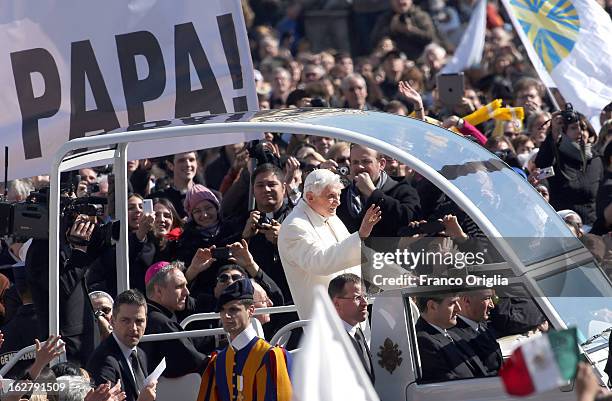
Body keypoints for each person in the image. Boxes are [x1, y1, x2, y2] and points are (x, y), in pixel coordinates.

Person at [278, 168, 381, 319]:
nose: (338, 202)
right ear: (310, 197)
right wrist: (361, 234)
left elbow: (358, 253)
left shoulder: (330, 217)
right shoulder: (294, 226)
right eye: (331, 196)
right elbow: (320, 262)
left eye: (339, 195)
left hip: (353, 313)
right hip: (325, 319)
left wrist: (399, 275)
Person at [197, 279, 292, 401]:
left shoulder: (271, 356)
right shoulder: (219, 361)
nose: (226, 315)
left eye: (233, 310)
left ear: (250, 310)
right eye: (222, 310)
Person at [141, 261, 210, 378]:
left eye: (186, 286)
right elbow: (194, 361)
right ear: (158, 291)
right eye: (179, 286)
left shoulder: (152, 315)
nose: (186, 292)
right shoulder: (160, 322)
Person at [86, 289, 157, 401]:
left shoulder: (140, 354)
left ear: (146, 322)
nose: (133, 328)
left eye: (139, 321)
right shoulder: (104, 361)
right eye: (125, 320)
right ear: (112, 321)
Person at [336, 144, 420, 237]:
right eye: (355, 162)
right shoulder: (341, 197)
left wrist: (373, 193)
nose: (360, 167)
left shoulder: (403, 190)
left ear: (382, 164)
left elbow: (409, 219)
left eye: (366, 161)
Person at [415, 294, 488, 381]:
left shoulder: (450, 333)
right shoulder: (424, 342)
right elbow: (448, 384)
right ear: (432, 306)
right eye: (452, 303)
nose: (458, 308)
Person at [328, 273, 374, 383]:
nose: (365, 303)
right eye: (357, 297)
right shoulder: (330, 340)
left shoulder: (356, 332)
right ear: (337, 303)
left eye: (365, 297)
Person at [451, 289, 502, 375]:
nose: (492, 305)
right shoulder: (455, 337)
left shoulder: (481, 325)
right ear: (467, 301)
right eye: (487, 298)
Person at [150, 151, 199, 218]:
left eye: (191, 160)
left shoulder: (209, 195)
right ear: (170, 165)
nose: (188, 164)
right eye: (181, 161)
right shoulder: (156, 198)